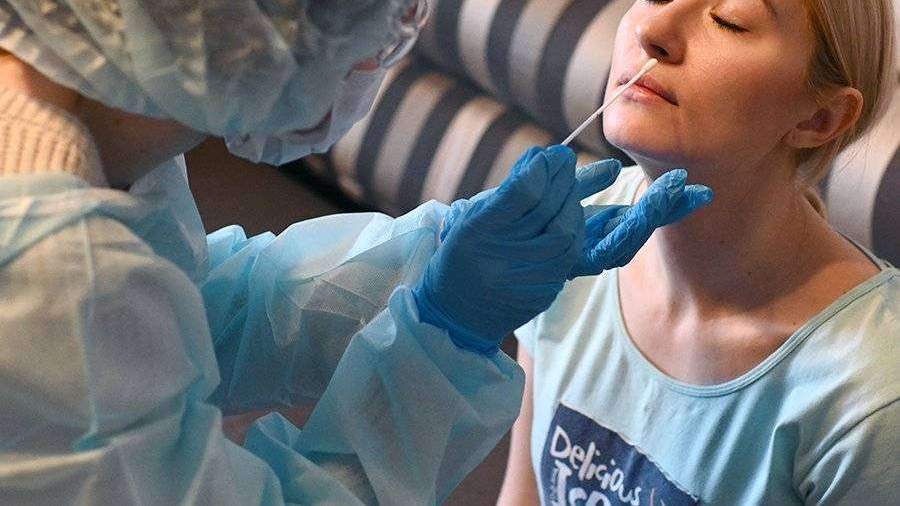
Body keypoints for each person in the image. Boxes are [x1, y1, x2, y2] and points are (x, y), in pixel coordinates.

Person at [0, 1, 712, 504]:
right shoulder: (51, 274)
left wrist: (434, 256)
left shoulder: (93, 131)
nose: (381, 47)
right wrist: (446, 336)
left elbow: (189, 312)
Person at [498, 0, 898, 504]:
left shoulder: (871, 396)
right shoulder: (572, 228)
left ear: (820, 118)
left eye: (730, 19)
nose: (653, 28)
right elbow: (524, 493)